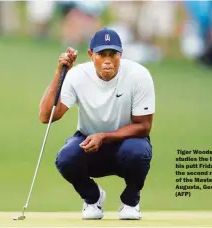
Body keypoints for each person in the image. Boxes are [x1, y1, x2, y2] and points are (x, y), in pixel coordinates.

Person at [38, 28, 155, 220]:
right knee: (66, 159)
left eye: (113, 54)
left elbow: (144, 127)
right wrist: (60, 73)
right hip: (89, 143)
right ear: (91, 55)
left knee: (138, 152)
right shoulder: (77, 75)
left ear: (121, 55)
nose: (108, 60)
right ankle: (93, 198)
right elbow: (46, 116)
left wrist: (104, 136)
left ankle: (131, 202)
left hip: (128, 144)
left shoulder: (139, 75)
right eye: (102, 54)